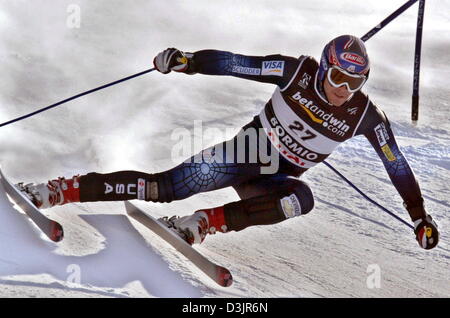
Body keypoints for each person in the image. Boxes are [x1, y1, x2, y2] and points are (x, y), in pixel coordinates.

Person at [20, 35, 438, 249]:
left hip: (276, 179)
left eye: (354, 82)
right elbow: (239, 64)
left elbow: (397, 165)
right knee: (161, 188)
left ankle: (203, 223)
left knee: (301, 200)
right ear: (324, 68)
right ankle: (59, 189)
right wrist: (188, 62)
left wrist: (419, 215)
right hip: (242, 155)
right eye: (336, 78)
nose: (342, 90)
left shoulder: (366, 116)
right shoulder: (296, 72)